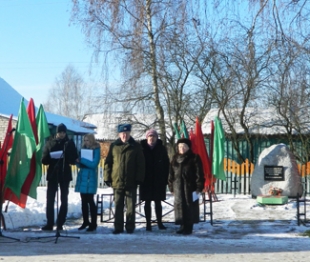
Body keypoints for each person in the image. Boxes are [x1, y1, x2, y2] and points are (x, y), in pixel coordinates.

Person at [104, 123, 145, 234]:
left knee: (130, 206)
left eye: (126, 133)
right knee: (118, 206)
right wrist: (107, 177)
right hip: (117, 181)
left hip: (131, 181)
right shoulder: (114, 146)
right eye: (122, 133)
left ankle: (130, 227)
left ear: (129, 133)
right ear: (119, 134)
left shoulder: (135, 146)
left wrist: (139, 178)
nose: (124, 135)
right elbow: (108, 163)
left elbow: (141, 164)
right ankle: (118, 227)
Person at [41, 123, 78, 231]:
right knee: (50, 199)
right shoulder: (50, 143)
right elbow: (44, 160)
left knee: (64, 199)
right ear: (56, 133)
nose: (62, 134)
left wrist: (68, 156)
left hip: (64, 174)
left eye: (63, 132)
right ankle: (49, 223)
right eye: (60, 132)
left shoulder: (69, 143)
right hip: (53, 173)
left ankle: (60, 223)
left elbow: (74, 159)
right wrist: (50, 158)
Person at [168, 138, 205, 235]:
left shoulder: (194, 158)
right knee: (180, 206)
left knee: (190, 206)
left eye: (184, 146)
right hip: (178, 187)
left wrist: (199, 187)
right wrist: (171, 186)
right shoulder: (175, 159)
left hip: (190, 187)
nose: (182, 148)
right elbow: (171, 174)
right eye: (180, 146)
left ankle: (189, 227)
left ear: (188, 147)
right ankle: (182, 225)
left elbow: (199, 174)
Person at [140, 129, 170, 231]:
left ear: (157, 138)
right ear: (147, 138)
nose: (152, 138)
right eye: (150, 136)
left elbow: (166, 165)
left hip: (158, 180)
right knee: (147, 202)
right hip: (146, 180)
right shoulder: (141, 148)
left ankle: (160, 222)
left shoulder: (161, 149)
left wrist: (166, 179)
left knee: (158, 202)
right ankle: (148, 223)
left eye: (154, 137)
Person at [75, 134, 101, 232]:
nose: (86, 142)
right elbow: (79, 165)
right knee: (83, 201)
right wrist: (78, 161)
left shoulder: (96, 149)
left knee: (90, 200)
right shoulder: (82, 150)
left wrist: (82, 160)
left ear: (92, 141)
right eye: (85, 140)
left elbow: (94, 164)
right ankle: (85, 221)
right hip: (83, 176)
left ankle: (93, 223)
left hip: (91, 177)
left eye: (88, 140)